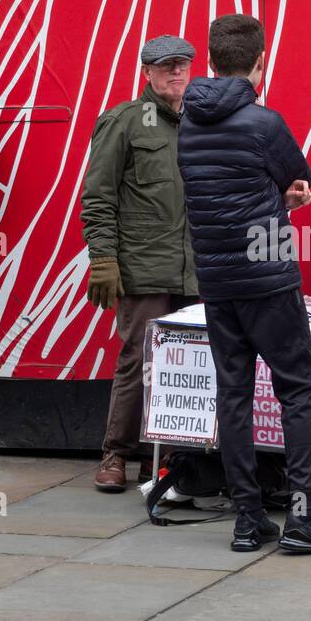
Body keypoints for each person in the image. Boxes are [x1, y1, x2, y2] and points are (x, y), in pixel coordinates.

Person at [178, 14, 311, 554]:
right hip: (267, 271)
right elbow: (299, 181)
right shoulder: (264, 122)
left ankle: (247, 519)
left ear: (211, 61)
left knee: (233, 393)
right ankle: (305, 517)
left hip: (216, 280)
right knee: (299, 387)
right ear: (261, 61)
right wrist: (283, 199)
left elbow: (205, 189)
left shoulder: (188, 122)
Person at [80, 36, 200, 492]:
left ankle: (172, 457)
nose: (175, 73)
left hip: (196, 269)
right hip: (144, 266)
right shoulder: (125, 121)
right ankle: (116, 454)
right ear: (147, 73)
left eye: (182, 65)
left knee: (188, 365)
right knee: (139, 361)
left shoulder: (204, 122)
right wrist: (104, 259)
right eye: (165, 66)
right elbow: (98, 196)